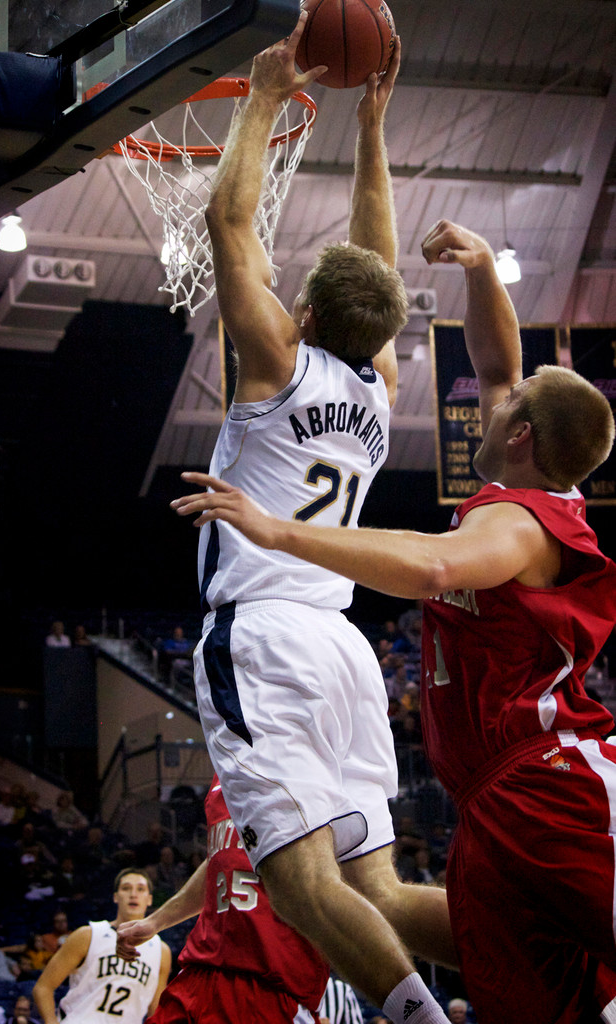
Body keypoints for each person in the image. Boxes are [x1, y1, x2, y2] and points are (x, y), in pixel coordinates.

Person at [172, 219, 616, 1024]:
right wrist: (482, 273)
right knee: (506, 951)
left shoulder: (517, 526)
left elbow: (434, 566)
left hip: (552, 778)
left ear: (519, 435)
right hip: (492, 791)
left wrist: (275, 530)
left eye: (509, 403)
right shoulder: (523, 480)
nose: (496, 392)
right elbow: (499, 362)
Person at [167, 18, 457, 1024]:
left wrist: (261, 95)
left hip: (266, 634)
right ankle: (553, 955)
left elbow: (229, 227)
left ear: (308, 311)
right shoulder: (378, 388)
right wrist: (371, 126)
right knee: (376, 890)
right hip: (342, 651)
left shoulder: (279, 363)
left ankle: (415, 1016)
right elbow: (378, 261)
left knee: (297, 885)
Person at [116, 774, 330, 1023]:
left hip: (268, 981)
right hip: (200, 972)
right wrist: (155, 922)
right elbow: (221, 857)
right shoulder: (225, 762)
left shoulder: (317, 759)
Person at [33, 868, 170, 1024]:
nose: (133, 894)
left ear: (150, 899)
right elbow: (43, 987)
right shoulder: (87, 935)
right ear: (116, 897)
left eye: (140, 889)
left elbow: (156, 1011)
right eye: (126, 888)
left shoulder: (161, 950)